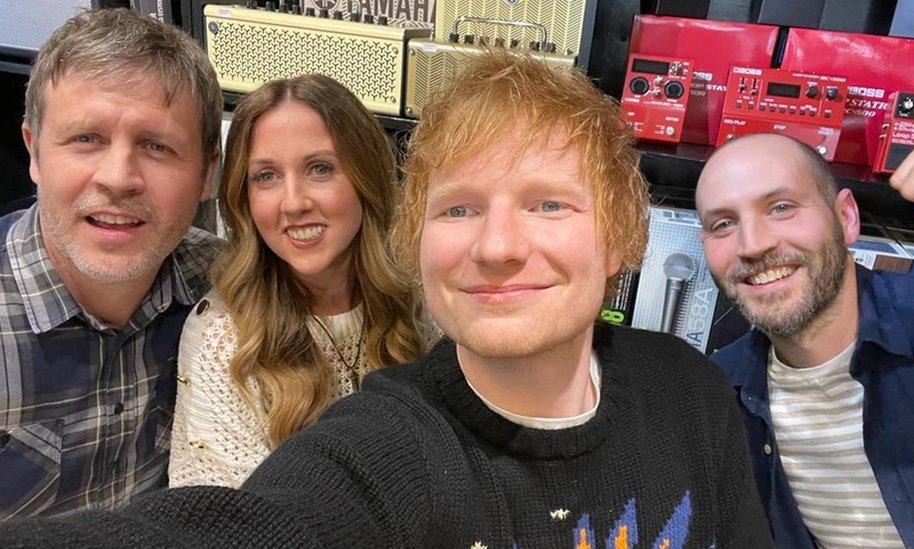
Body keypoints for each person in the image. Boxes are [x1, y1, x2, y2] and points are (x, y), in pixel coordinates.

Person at [0, 53, 773, 547]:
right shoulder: (244, 337)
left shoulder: (685, 390)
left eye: (547, 204)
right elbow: (249, 519)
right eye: (461, 208)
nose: (497, 248)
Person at [696, 132, 914, 548]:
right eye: (723, 224)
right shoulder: (716, 395)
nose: (752, 245)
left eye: (781, 207)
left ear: (846, 217)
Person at [0, 9, 222, 519]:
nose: (119, 178)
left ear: (207, 173)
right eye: (86, 139)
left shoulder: (227, 286)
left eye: (157, 146)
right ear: (34, 153)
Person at [168, 74, 434, 488]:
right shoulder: (223, 338)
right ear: (243, 198)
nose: (293, 203)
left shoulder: (422, 299)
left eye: (320, 169)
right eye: (266, 176)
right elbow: (224, 519)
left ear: (367, 179)